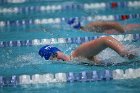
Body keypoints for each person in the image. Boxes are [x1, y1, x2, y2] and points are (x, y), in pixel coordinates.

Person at [38, 36, 135, 65]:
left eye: (55, 54)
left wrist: (123, 52)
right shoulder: (75, 61)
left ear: (60, 51)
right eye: (52, 58)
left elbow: (105, 40)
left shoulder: (77, 54)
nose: (57, 59)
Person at [67, 18, 140, 34]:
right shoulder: (86, 29)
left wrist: (123, 33)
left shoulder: (91, 26)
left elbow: (114, 24)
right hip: (115, 30)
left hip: (123, 29)